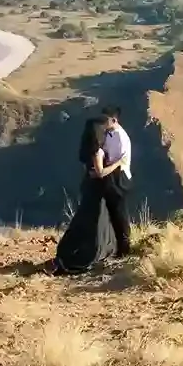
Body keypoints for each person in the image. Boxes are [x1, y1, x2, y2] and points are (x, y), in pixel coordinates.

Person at [51, 117, 119, 274]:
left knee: (87, 219)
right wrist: (117, 164)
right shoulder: (97, 150)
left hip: (90, 187)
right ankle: (85, 256)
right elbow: (100, 172)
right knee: (94, 221)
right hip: (95, 188)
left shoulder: (89, 148)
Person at [98, 106, 133, 257]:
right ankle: (114, 246)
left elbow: (119, 161)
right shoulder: (109, 134)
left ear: (114, 120)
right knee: (112, 213)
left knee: (119, 214)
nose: (103, 122)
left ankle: (125, 248)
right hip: (111, 176)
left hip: (120, 177)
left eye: (105, 119)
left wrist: (103, 169)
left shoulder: (120, 137)